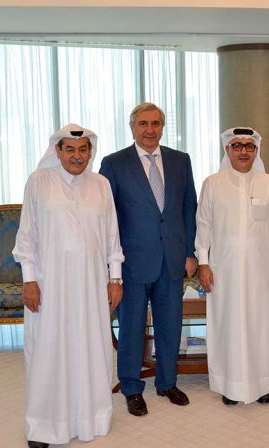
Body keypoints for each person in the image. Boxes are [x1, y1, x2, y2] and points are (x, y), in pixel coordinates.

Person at [13, 124, 124, 448]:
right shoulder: (39, 181)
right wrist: (29, 280)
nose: (77, 156)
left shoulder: (101, 184)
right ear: (58, 151)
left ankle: (90, 418)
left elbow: (112, 236)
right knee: (49, 351)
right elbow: (27, 236)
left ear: (90, 152)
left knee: (91, 347)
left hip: (91, 285)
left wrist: (115, 278)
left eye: (83, 150)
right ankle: (44, 426)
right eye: (70, 150)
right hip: (51, 285)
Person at [99, 102, 198, 415]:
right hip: (132, 262)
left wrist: (190, 252)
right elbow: (107, 217)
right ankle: (131, 387)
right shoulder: (114, 163)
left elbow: (189, 208)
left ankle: (167, 382)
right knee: (131, 327)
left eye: (156, 123)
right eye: (143, 123)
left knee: (170, 325)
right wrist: (112, 264)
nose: (150, 130)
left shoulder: (181, 160)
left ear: (162, 127)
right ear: (132, 127)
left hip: (172, 258)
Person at [195, 127, 269, 405]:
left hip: (261, 271)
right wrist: (203, 263)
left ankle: (262, 383)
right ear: (228, 150)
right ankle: (229, 385)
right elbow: (203, 226)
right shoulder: (212, 183)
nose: (244, 151)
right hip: (223, 270)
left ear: (256, 150)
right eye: (237, 146)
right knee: (227, 325)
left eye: (249, 146)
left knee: (261, 325)